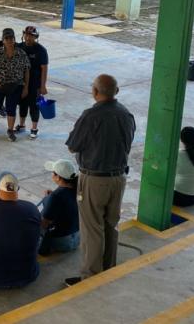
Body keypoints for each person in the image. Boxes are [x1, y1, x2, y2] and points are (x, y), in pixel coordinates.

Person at [63, 74, 136, 286]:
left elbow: (73, 145)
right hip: (119, 177)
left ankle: (91, 276)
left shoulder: (91, 116)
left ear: (95, 92)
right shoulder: (126, 114)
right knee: (110, 224)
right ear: (117, 91)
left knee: (92, 228)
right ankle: (108, 268)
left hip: (95, 179)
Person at [0, 28, 30, 142]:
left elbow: (26, 70)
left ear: (14, 39)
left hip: (15, 86)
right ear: (3, 40)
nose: (9, 40)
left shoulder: (21, 53)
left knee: (11, 109)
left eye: (11, 38)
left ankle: (10, 130)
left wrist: (26, 87)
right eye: (7, 38)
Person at [39, 159, 80, 255]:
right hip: (77, 238)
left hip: (62, 243)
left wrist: (49, 199)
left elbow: (44, 223)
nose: (52, 175)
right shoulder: (78, 189)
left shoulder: (56, 196)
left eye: (53, 173)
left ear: (58, 178)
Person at [16, 26, 48, 139]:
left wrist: (43, 86)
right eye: (27, 35)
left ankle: (34, 128)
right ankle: (21, 125)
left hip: (35, 83)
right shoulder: (19, 47)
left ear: (36, 37)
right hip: (21, 82)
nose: (28, 38)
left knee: (34, 106)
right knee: (22, 104)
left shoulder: (41, 50)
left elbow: (44, 69)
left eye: (31, 36)